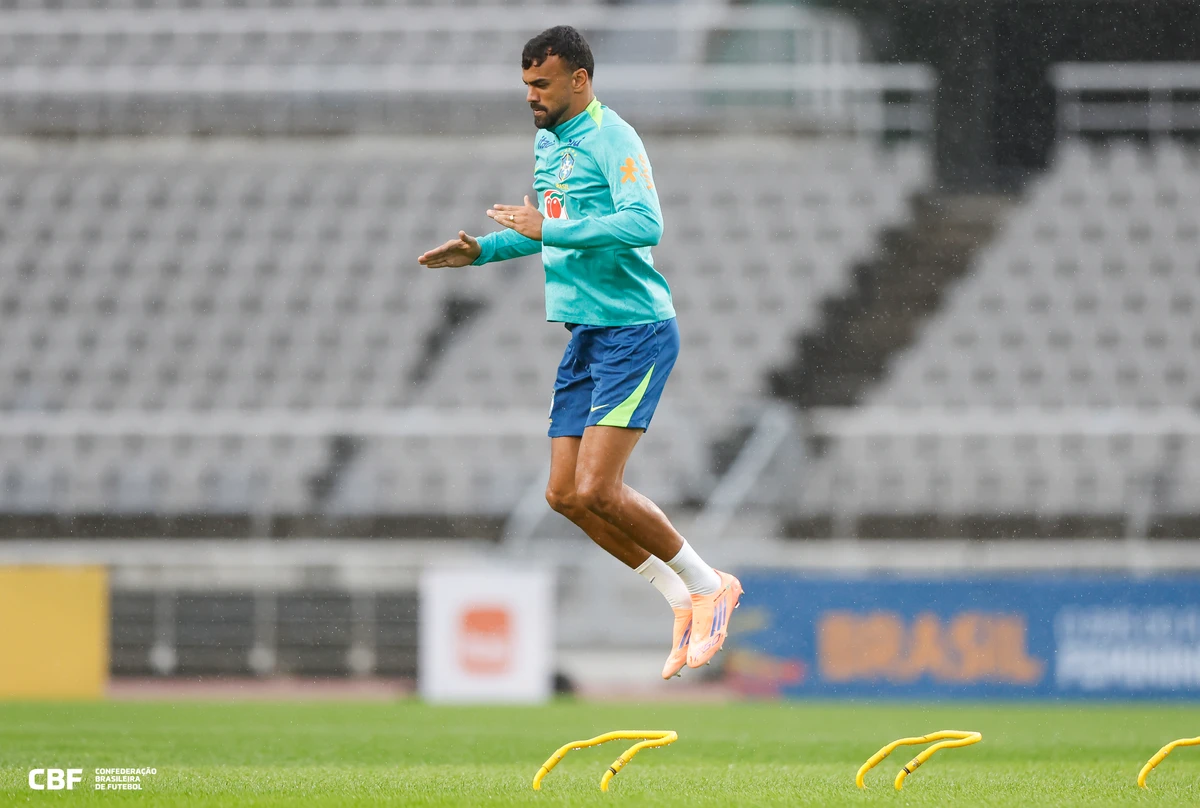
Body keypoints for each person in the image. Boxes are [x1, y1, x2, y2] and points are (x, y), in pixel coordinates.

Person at [418, 25, 740, 678]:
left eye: (541, 84)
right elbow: (549, 233)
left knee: (600, 485)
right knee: (564, 495)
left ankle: (712, 584)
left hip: (635, 329)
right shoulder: (547, 143)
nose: (531, 95)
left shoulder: (612, 136)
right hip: (586, 333)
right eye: (526, 85)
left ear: (579, 80)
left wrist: (555, 226)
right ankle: (679, 595)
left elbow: (645, 222)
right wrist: (483, 250)